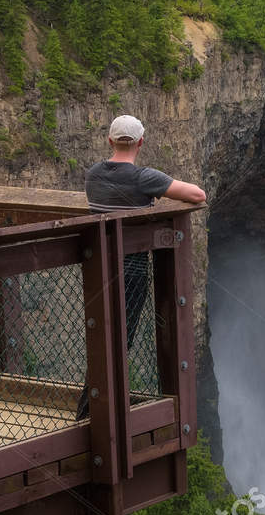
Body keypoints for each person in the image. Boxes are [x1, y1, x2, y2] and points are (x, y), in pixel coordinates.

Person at [77, 114, 206, 419]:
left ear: (110, 140)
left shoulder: (92, 175)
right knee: (121, 341)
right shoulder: (144, 178)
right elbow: (197, 195)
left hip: (96, 270)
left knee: (104, 338)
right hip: (130, 274)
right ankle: (91, 412)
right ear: (141, 142)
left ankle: (94, 407)